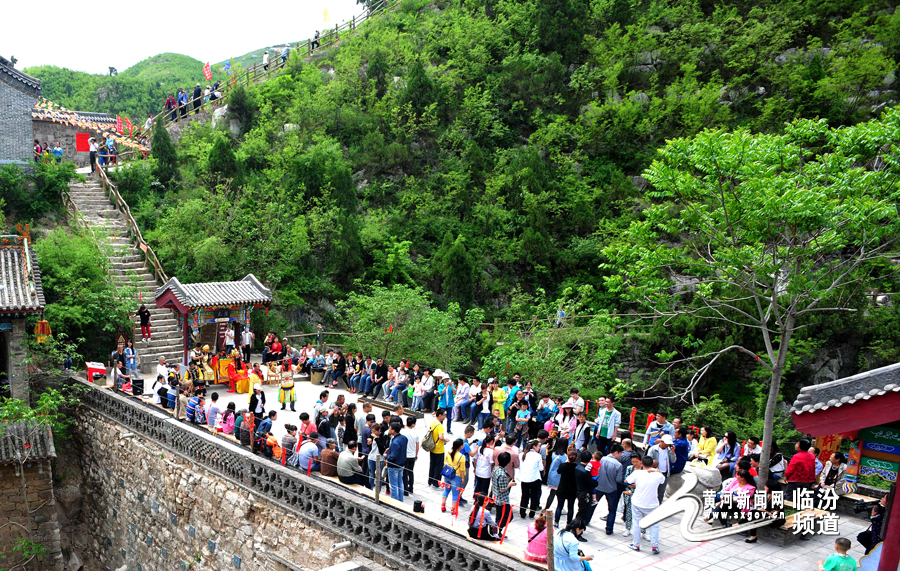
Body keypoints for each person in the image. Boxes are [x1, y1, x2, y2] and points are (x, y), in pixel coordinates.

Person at [626, 455, 665, 554]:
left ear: (642, 464)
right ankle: (655, 546)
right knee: (654, 525)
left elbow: (627, 481)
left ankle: (636, 544)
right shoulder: (658, 475)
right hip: (652, 504)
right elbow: (663, 480)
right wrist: (655, 470)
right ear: (652, 464)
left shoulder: (637, 473)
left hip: (638, 502)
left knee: (637, 523)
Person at [594, 443, 625, 534]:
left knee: (592, 505)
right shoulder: (618, 465)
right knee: (612, 510)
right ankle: (609, 529)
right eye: (620, 453)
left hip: (598, 486)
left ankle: (586, 520)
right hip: (611, 489)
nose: (621, 455)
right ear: (616, 453)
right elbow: (619, 479)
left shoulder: (601, 459)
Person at [647, 434, 677, 503]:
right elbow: (648, 460)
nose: (667, 445)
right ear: (662, 442)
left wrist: (673, 452)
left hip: (664, 474)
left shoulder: (669, 450)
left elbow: (673, 460)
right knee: (652, 492)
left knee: (661, 493)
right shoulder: (653, 449)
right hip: (655, 473)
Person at [426, 409, 451, 487]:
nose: (445, 416)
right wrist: (445, 439)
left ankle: (430, 480)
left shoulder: (433, 423)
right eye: (444, 415)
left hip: (432, 447)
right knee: (438, 467)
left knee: (432, 464)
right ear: (439, 415)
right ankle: (436, 483)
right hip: (439, 449)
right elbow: (440, 437)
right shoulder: (440, 426)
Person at [441, 439, 466, 514]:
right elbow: (462, 469)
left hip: (447, 474)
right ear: (460, 446)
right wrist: (463, 478)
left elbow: (444, 463)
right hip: (456, 476)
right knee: (455, 493)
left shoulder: (449, 452)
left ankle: (443, 505)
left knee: (446, 490)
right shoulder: (462, 456)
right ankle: (453, 509)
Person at [491, 452, 516, 528]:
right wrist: (510, 484)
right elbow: (502, 489)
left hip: (496, 497)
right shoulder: (502, 474)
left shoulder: (496, 469)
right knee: (507, 517)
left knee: (499, 516)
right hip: (502, 500)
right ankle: (496, 529)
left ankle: (496, 531)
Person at [621, 453, 642, 537]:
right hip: (630, 492)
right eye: (633, 462)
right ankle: (628, 528)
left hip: (641, 493)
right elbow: (626, 479)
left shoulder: (644, 469)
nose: (635, 463)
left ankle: (643, 531)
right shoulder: (629, 468)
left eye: (636, 461)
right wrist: (630, 485)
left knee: (641, 513)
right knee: (629, 511)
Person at [385, 423, 407, 502]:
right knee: (400, 483)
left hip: (393, 465)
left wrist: (386, 456)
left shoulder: (395, 442)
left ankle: (394, 502)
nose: (389, 430)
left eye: (390, 428)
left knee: (393, 485)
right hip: (401, 464)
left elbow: (392, 457)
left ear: (393, 430)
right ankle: (401, 500)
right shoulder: (404, 438)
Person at [401, 416, 420, 495]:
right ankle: (411, 487)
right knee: (411, 472)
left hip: (405, 455)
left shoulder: (402, 432)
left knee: (404, 473)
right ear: (413, 424)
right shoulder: (415, 433)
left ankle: (405, 489)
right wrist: (416, 454)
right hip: (412, 455)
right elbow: (417, 446)